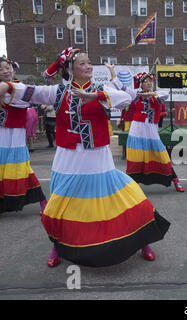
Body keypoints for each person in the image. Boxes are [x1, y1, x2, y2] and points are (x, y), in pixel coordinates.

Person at [0, 47, 170, 267]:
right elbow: (29, 90)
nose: (89, 66)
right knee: (62, 203)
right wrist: (8, 84)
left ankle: (142, 240)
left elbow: (126, 99)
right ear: (70, 68)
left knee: (117, 199)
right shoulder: (57, 92)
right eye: (82, 63)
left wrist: (95, 95)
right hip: (67, 156)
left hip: (96, 154)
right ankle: (57, 246)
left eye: (89, 62)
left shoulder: (102, 89)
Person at [105, 63, 184, 192]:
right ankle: (131, 186)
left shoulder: (158, 94)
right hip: (137, 130)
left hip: (151, 131)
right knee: (136, 158)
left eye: (150, 81)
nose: (148, 83)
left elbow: (165, 95)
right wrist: (111, 70)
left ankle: (175, 180)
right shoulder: (136, 94)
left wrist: (151, 95)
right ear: (141, 84)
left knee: (161, 155)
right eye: (145, 81)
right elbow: (120, 86)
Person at [0, 56, 47, 215]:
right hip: (1, 133)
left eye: (7, 67)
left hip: (15, 134)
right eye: (1, 69)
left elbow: (24, 102)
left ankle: (43, 201)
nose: (6, 71)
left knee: (21, 167)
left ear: (13, 69)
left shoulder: (20, 87)